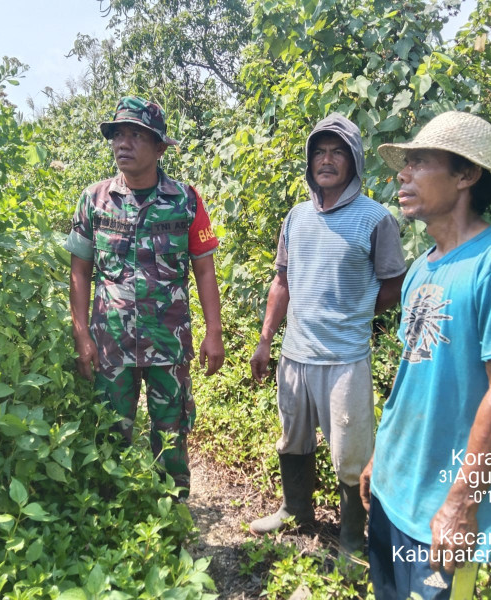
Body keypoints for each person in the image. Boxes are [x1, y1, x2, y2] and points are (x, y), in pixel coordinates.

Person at [360, 111, 491, 599]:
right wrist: (379, 459)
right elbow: (412, 377)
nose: (402, 174)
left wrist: (462, 506)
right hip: (392, 490)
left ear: (466, 175)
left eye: (419, 162)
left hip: (441, 511)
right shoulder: (422, 269)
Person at [248, 113, 407, 554]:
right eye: (320, 150)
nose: (327, 159)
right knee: (292, 439)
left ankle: (353, 539)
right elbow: (281, 282)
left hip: (345, 360)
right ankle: (295, 512)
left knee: (351, 456)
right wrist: (265, 340)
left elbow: (393, 285)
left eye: (338, 151)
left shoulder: (377, 219)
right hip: (295, 355)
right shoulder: (296, 217)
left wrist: (357, 313)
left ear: (354, 160)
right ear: (309, 159)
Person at [65, 96, 225, 498]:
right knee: (109, 434)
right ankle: (112, 519)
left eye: (136, 135)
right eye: (118, 135)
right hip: (110, 345)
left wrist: (214, 332)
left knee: (171, 434)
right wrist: (81, 334)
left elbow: (204, 268)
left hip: (167, 343)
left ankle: (172, 517)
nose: (124, 144)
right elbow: (79, 270)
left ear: (159, 147)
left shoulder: (185, 200)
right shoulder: (94, 200)